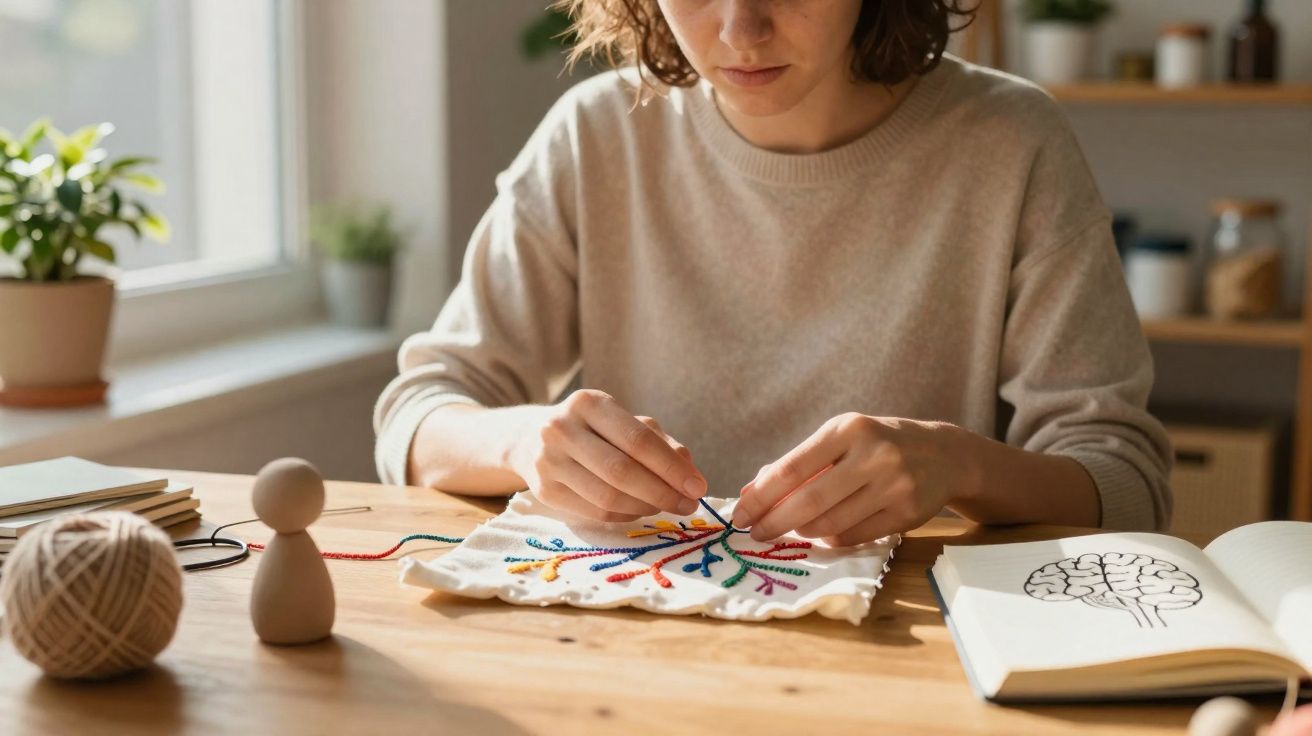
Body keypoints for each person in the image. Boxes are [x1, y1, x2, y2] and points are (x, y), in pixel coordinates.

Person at [373, 0, 1172, 546]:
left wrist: (962, 465)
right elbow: (416, 417)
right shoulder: (596, 135)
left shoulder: (1011, 142)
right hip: (631, 641)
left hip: (904, 658)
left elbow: (1126, 481)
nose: (739, 29)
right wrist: (522, 440)